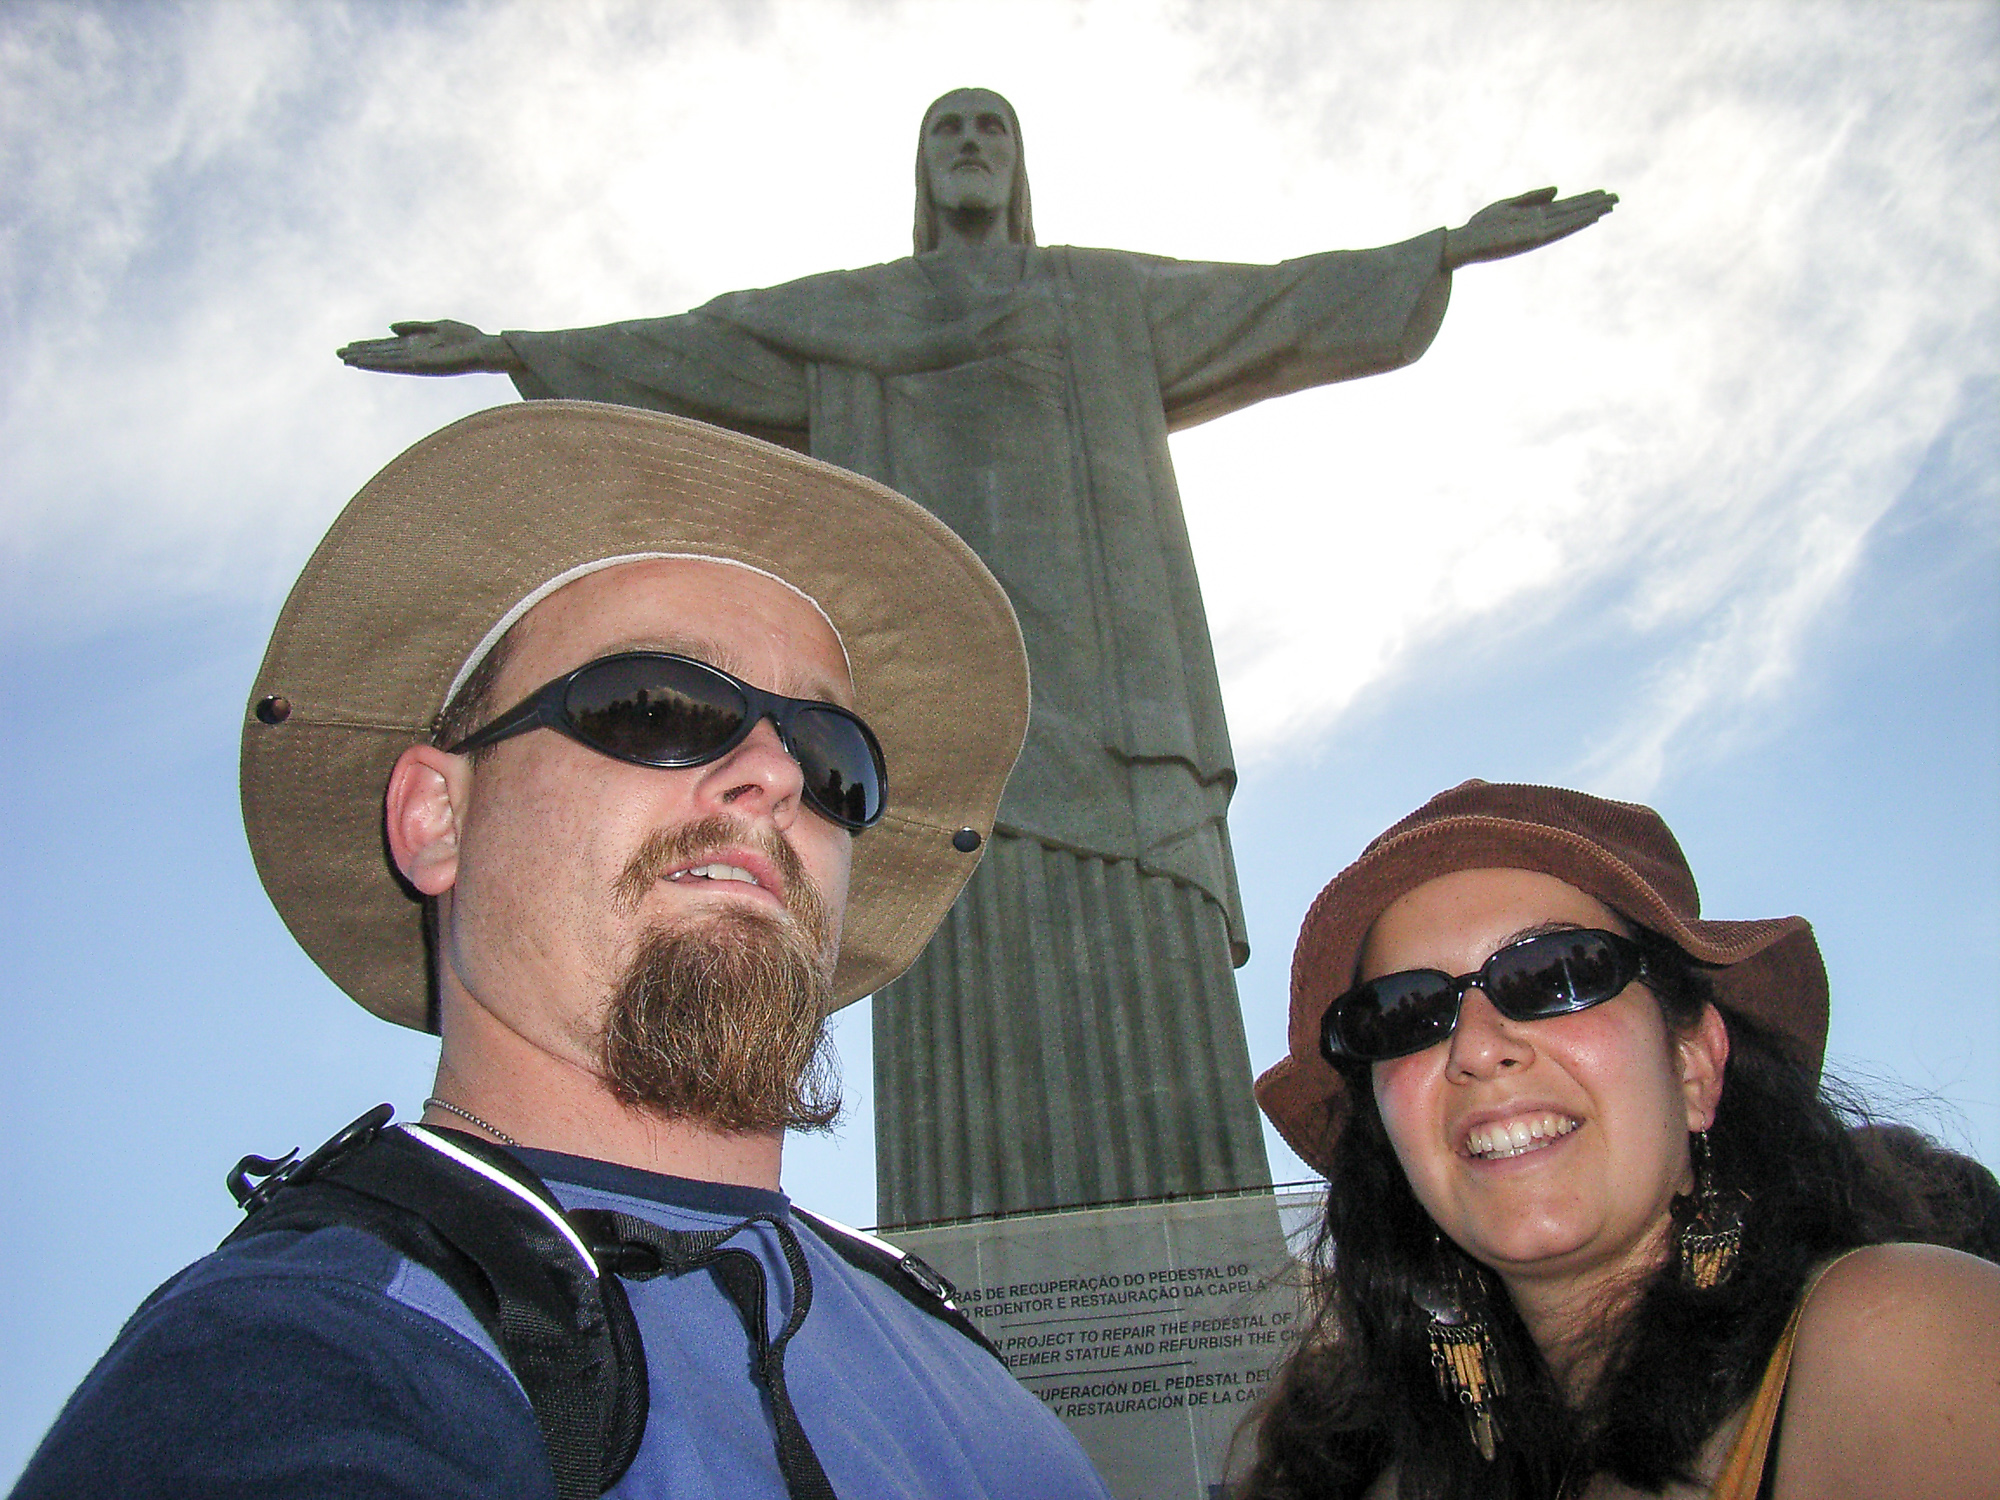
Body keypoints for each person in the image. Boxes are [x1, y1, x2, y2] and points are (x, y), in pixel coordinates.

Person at [336, 88, 1619, 1226]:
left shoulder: (1096, 295)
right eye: (946, 129)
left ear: (1016, 162)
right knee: (949, 897)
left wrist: (1440, 250)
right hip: (934, 707)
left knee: (1139, 956)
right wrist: (512, 349)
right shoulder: (848, 317)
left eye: (988, 129)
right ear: (920, 167)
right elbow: (696, 345)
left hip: (1116, 705)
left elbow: (1277, 300)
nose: (968, 147)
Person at [11, 401, 1114, 1500]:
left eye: (834, 756)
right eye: (660, 705)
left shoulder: (964, 1367)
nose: (777, 775)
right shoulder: (311, 1345)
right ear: (437, 817)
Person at [1244, 780, 2000, 1500]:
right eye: (1404, 1013)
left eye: (1557, 971)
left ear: (1694, 1064)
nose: (1475, 1047)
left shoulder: (1905, 1346)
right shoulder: (1382, 1473)